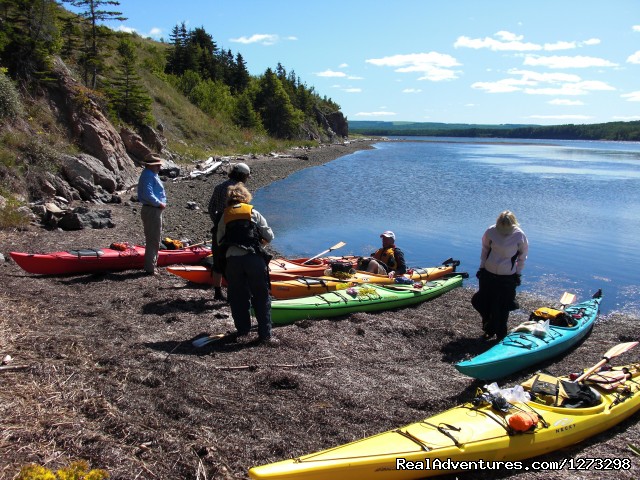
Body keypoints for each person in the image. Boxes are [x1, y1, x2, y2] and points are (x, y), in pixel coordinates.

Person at [217, 184, 276, 344]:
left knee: (237, 297)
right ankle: (265, 335)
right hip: (253, 259)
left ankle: (243, 331)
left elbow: (219, 240)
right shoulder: (252, 212)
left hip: (233, 262)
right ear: (246, 197)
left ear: (230, 198)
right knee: (261, 296)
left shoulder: (225, 215)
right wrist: (260, 245)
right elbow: (269, 235)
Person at [472, 210, 529, 341]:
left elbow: (522, 257)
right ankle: (488, 328)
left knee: (503, 306)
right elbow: (485, 250)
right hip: (488, 273)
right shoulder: (491, 231)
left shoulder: (519, 235)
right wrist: (481, 268)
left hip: (507, 276)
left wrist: (518, 274)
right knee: (482, 301)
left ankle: (501, 334)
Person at [207, 163, 251, 300]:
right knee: (234, 260)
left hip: (219, 224)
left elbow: (210, 207)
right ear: (242, 175)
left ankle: (217, 292)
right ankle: (235, 292)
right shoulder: (241, 190)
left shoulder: (219, 187)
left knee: (218, 260)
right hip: (236, 227)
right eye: (247, 176)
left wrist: (217, 222)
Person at [137, 153, 167, 275]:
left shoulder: (150, 174)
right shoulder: (148, 175)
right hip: (152, 209)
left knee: (155, 238)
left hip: (152, 209)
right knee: (153, 239)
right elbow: (148, 194)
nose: (159, 167)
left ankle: (152, 265)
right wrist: (159, 203)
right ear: (150, 166)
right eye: (157, 165)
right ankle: (150, 268)